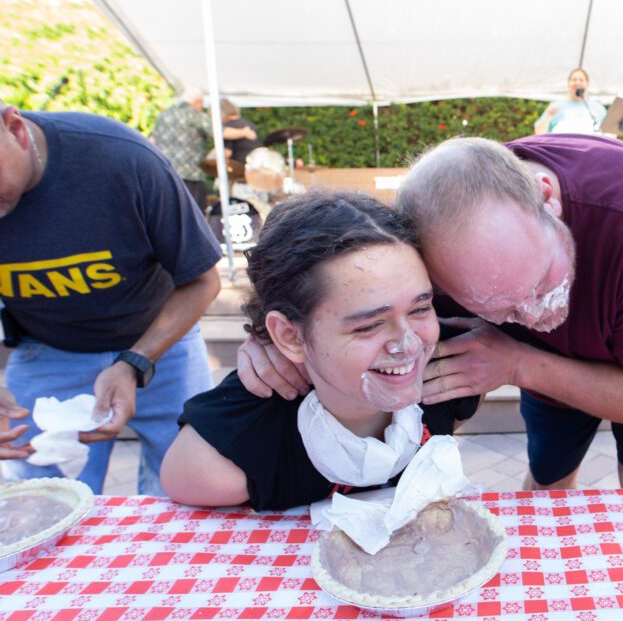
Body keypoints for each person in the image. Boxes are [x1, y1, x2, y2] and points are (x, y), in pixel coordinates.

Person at [238, 134, 623, 491]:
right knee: (547, 475)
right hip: (533, 358)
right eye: (497, 305)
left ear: (546, 196)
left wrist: (518, 361)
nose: (541, 315)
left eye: (543, 280)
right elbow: (336, 272)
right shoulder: (440, 239)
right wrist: (270, 331)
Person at [160, 191, 479, 510]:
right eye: (369, 325)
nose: (409, 344)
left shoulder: (453, 371)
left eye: (420, 308)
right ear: (289, 336)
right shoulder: (226, 459)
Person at [0, 102, 222, 494]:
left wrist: (135, 361)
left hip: (160, 343)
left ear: (15, 128)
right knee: (37, 503)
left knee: (188, 492)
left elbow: (203, 282)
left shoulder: (123, 158)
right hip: (45, 349)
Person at [149, 89, 256, 209]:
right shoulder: (196, 115)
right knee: (193, 212)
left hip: (165, 173)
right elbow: (221, 132)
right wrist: (245, 132)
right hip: (191, 175)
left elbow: (152, 140)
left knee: (168, 210)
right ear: (198, 103)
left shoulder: (164, 114)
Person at [534, 68, 607, 135]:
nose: (577, 82)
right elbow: (539, 133)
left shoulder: (599, 108)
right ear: (568, 84)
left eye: (581, 80)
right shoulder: (556, 106)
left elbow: (610, 134)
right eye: (574, 80)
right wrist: (548, 117)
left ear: (587, 84)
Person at [219, 97, 262, 165]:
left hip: (239, 166)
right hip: (256, 164)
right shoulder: (250, 125)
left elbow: (227, 153)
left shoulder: (228, 127)